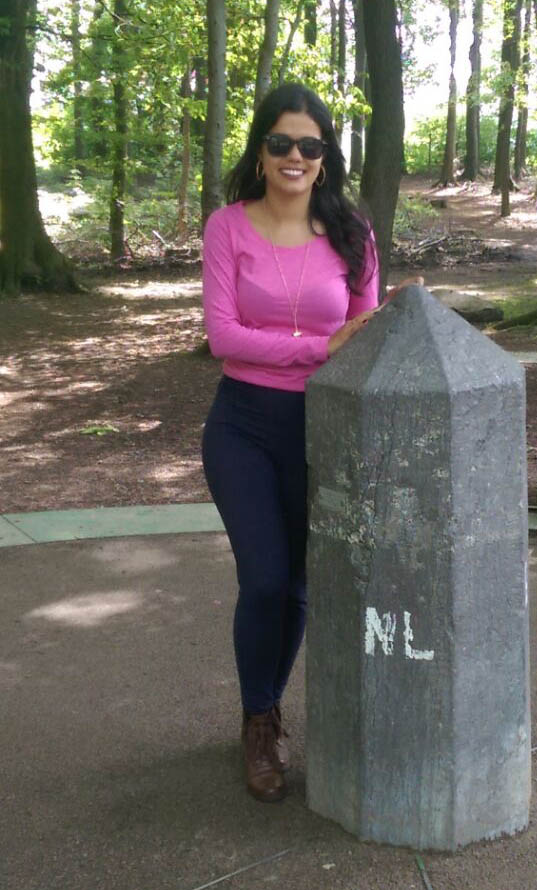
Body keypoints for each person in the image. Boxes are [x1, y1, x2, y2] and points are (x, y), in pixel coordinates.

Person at [201, 83, 418, 803]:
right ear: (260, 151)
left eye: (310, 145)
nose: (295, 156)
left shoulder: (353, 233)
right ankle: (258, 716)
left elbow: (365, 340)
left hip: (319, 428)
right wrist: (318, 345)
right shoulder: (227, 228)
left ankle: (265, 711)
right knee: (262, 576)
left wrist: (337, 348)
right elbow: (223, 337)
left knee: (295, 584)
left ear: (325, 159)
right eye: (281, 142)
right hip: (241, 425)